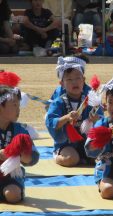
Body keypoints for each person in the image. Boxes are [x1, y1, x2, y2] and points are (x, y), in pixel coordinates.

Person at [45, 56, 104, 167]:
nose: (74, 82)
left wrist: (96, 119)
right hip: (66, 143)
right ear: (62, 83)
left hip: (86, 140)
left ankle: (85, 156)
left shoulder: (91, 99)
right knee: (71, 159)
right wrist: (66, 117)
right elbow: (50, 121)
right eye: (69, 79)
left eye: (78, 78)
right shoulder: (58, 102)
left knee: (98, 158)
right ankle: (56, 155)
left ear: (84, 80)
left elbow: (101, 119)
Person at [0, 71, 39, 203]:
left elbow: (33, 157)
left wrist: (27, 158)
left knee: (13, 195)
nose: (19, 109)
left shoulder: (20, 130)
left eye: (18, 105)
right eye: (14, 105)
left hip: (11, 176)